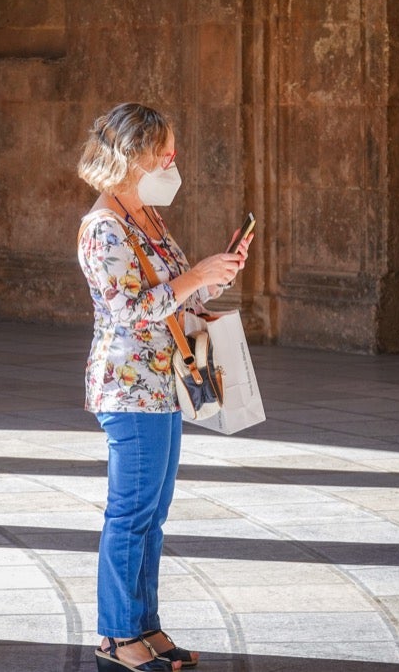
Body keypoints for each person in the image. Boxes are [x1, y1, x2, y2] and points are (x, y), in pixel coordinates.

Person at [76, 102, 252, 672]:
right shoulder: (103, 227)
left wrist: (217, 273)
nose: (173, 162)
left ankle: (145, 626)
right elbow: (128, 311)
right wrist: (193, 276)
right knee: (129, 513)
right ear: (133, 157)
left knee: (153, 513)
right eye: (164, 153)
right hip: (129, 389)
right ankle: (117, 635)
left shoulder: (145, 216)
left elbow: (182, 299)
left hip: (164, 385)